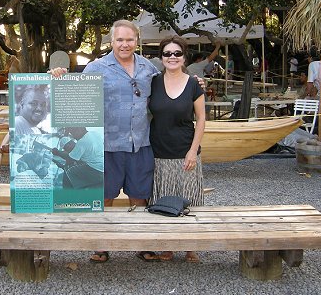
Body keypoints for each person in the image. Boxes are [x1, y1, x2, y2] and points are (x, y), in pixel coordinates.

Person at [50, 20, 205, 263]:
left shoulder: (148, 69)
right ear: (112, 41)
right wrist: (59, 76)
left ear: (137, 41)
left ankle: (142, 244)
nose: (125, 44)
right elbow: (74, 89)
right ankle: (101, 245)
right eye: (120, 40)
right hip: (108, 145)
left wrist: (196, 84)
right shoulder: (96, 67)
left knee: (140, 197)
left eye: (129, 39)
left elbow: (173, 82)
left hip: (140, 144)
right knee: (105, 197)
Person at [149, 35, 206, 263]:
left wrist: (193, 151)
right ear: (161, 57)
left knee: (189, 199)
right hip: (158, 152)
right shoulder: (152, 81)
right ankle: (167, 245)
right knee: (163, 199)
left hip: (186, 152)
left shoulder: (193, 84)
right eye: (167, 53)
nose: (172, 57)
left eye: (177, 53)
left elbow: (201, 119)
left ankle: (191, 246)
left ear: (184, 57)